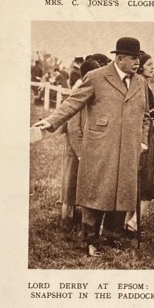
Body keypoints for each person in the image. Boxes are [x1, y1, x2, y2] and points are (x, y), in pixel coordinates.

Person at [33, 37, 150, 258]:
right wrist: (51, 121)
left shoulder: (140, 82)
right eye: (134, 58)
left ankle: (112, 236)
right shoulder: (97, 77)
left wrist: (141, 140)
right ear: (120, 58)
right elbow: (73, 102)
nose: (137, 63)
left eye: (139, 58)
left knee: (122, 192)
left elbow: (145, 116)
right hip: (100, 146)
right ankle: (91, 240)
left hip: (129, 148)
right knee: (95, 192)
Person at [60, 58, 101, 226]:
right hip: (75, 150)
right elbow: (74, 128)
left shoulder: (90, 91)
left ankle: (76, 219)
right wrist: (81, 155)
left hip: (85, 149)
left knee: (81, 186)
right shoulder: (78, 93)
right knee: (69, 187)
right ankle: (66, 219)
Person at [126, 53, 154, 234]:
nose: (153, 67)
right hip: (145, 138)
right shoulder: (141, 85)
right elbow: (143, 115)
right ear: (140, 67)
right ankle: (134, 222)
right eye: (149, 64)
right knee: (150, 180)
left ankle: (129, 221)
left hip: (145, 135)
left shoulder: (141, 83)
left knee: (140, 181)